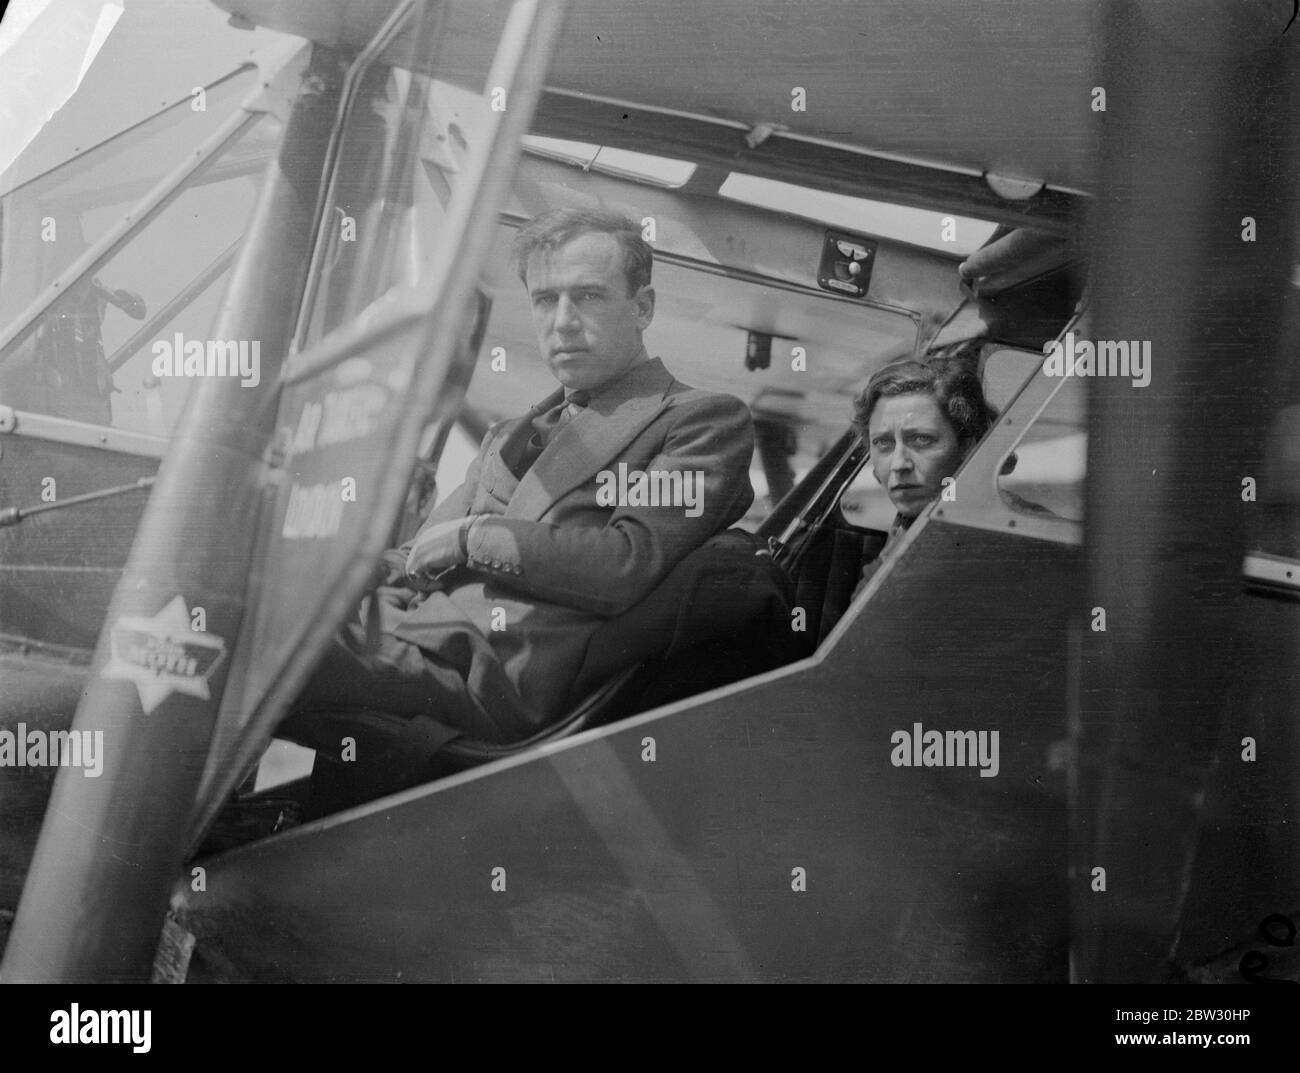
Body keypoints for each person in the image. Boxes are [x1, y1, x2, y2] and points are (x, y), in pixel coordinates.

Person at [281, 208, 755, 786]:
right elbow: (413, 558)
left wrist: (473, 539)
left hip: (487, 675)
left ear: (643, 307)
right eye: (544, 299)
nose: (563, 322)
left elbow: (623, 563)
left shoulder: (699, 422)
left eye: (588, 297)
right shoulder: (509, 436)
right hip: (410, 638)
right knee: (236, 609)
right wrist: (307, 576)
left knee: (230, 647)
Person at [850, 345, 996, 597]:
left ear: (967, 447)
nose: (899, 464)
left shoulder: (987, 550)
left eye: (921, 440)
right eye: (883, 443)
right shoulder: (907, 530)